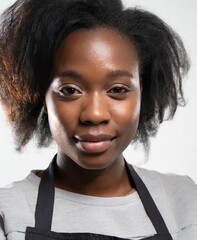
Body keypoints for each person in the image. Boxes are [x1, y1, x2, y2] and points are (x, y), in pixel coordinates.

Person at [0, 0, 196, 239]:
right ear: (42, 95)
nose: (95, 114)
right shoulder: (8, 211)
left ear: (141, 92)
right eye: (70, 90)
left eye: (117, 89)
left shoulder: (185, 202)